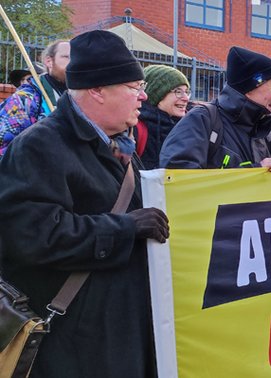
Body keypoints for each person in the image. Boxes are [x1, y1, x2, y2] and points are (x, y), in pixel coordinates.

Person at [0, 30, 169, 377]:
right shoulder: (39, 145)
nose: (144, 96)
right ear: (97, 90)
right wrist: (126, 228)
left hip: (120, 329)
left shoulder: (120, 145)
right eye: (134, 86)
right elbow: (33, 235)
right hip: (74, 341)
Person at [159, 46, 271, 172]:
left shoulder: (263, 131)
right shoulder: (202, 119)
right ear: (250, 88)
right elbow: (178, 176)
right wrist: (255, 170)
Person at [0, 39, 70, 156]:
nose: (74, 62)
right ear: (49, 61)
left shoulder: (82, 96)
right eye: (67, 57)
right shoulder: (25, 100)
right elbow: (4, 144)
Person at [134, 64, 190, 169]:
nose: (186, 98)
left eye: (186, 92)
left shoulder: (189, 128)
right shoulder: (135, 129)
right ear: (155, 94)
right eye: (178, 92)